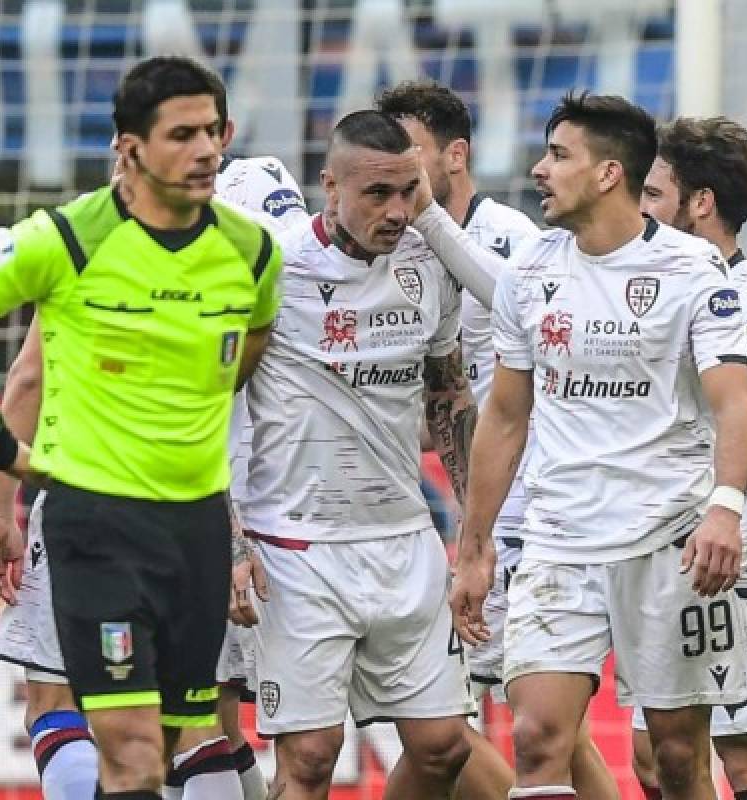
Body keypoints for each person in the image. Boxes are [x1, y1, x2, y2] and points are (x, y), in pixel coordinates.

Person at [0, 56, 283, 799]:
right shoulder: (67, 238)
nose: (205, 150)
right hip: (96, 523)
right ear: (130, 148)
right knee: (129, 752)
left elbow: (247, 352)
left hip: (198, 529)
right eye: (182, 134)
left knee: (181, 744)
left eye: (213, 132)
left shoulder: (253, 253)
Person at [451, 91, 747, 800]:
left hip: (669, 541)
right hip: (559, 539)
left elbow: (734, 403)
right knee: (536, 741)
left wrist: (726, 508)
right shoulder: (530, 274)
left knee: (677, 758)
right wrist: (473, 548)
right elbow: (504, 417)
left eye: (559, 155)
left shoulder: (691, 272)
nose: (539, 169)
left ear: (609, 173)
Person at [375, 80, 618, 800]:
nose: (398, 168)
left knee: (478, 724)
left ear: (454, 154)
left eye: (410, 151)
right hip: (459, 511)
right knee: (495, 724)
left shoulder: (509, 235)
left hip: (527, 511)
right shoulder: (388, 245)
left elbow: (524, 312)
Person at [236, 109, 475, 800]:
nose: (397, 211)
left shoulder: (431, 267)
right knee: (311, 758)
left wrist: (475, 531)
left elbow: (449, 397)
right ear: (329, 186)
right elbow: (211, 407)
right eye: (377, 194)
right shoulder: (272, 267)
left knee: (444, 747)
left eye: (409, 190)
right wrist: (227, 542)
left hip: (405, 541)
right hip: (296, 546)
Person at [634, 116, 747, 800]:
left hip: (739, 568)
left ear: (699, 203)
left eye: (653, 192)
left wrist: (731, 546)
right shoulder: (669, 296)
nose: (641, 208)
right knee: (659, 757)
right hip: (674, 559)